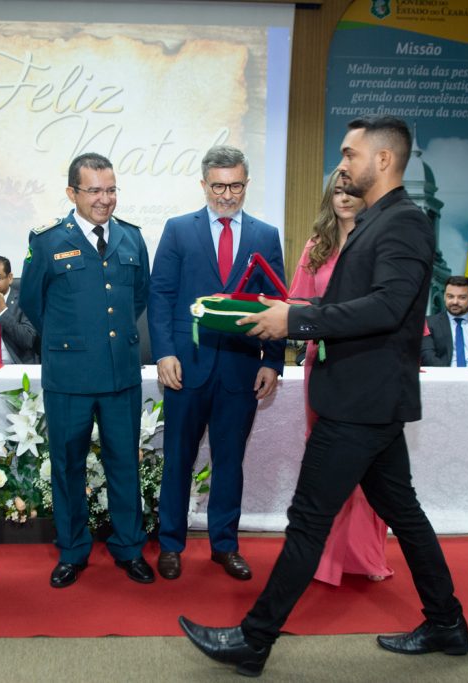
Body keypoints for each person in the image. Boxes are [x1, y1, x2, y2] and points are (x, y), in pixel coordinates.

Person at [179, 116, 468, 676]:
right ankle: (447, 622)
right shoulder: (377, 220)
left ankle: (253, 639)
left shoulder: (404, 223)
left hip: (360, 403)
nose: (342, 163)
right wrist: (293, 317)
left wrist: (298, 319)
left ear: (383, 161)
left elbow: (387, 308)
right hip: (369, 399)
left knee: (309, 518)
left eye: (350, 153)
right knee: (404, 513)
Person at [148, 145, 285, 582]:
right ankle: (171, 544)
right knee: (177, 460)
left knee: (230, 461)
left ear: (247, 183)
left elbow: (276, 301)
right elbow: (161, 296)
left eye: (237, 185)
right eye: (219, 186)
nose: (228, 195)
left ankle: (225, 545)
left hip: (241, 370)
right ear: (204, 185)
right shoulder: (177, 230)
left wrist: (274, 362)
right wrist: (165, 352)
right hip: (185, 368)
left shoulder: (265, 235)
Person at [19, 152, 154, 589]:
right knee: (67, 466)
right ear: (72, 192)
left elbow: (138, 301)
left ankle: (130, 548)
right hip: (69, 377)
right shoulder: (46, 240)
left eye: (111, 189)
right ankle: (73, 551)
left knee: (123, 465)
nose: (105, 199)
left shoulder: (132, 238)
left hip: (120, 376)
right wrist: (71, 340)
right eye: (94, 190)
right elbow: (34, 306)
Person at [288, 170, 392, 587]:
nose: (344, 198)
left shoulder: (382, 244)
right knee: (326, 463)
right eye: (337, 190)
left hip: (369, 368)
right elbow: (294, 303)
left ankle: (362, 556)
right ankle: (326, 558)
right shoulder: (317, 247)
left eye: (352, 191)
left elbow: (394, 308)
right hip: (324, 366)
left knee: (368, 464)